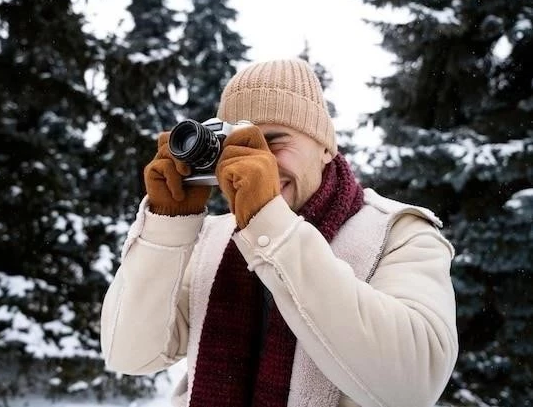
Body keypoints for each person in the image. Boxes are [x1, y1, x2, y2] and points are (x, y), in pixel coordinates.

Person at [100, 58, 458, 407]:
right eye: (238, 147)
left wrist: (270, 225)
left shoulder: (399, 232)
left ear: (325, 147)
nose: (257, 162)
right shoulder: (210, 239)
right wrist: (166, 226)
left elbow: (412, 387)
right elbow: (130, 355)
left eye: (273, 142)